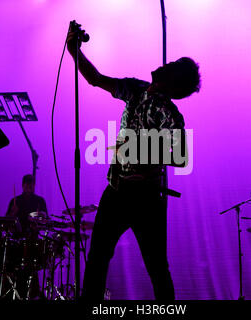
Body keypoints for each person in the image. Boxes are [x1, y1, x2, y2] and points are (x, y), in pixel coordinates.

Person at [66, 25, 200, 300]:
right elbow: (95, 79)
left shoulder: (169, 112)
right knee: (97, 258)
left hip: (146, 197)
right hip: (116, 190)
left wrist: (140, 156)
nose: (166, 63)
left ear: (173, 83)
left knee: (157, 268)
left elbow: (180, 155)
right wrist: (74, 51)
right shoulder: (136, 89)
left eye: (172, 65)